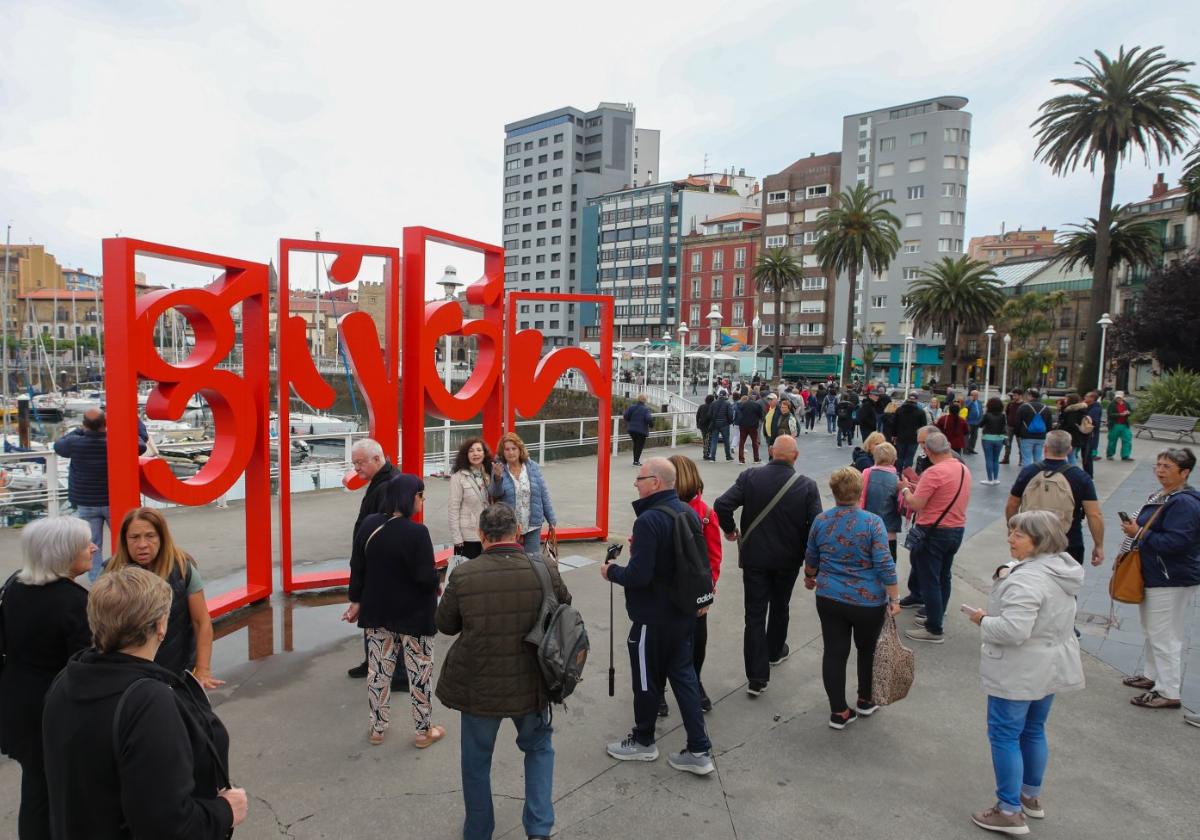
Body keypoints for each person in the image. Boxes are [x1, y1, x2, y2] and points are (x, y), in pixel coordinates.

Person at [42, 566, 247, 839]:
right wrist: (225, 811)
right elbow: (168, 826)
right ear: (161, 626)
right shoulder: (148, 700)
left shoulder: (66, 680)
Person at [436, 502, 571, 840]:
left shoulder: (464, 575)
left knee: (476, 762)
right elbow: (566, 609)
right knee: (539, 748)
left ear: (482, 536)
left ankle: (479, 831)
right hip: (534, 682)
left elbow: (446, 625)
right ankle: (539, 829)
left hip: (480, 686)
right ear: (517, 530)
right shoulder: (545, 568)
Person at [962, 510, 1085, 836]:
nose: (1010, 539)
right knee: (1033, 730)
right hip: (1049, 665)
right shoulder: (1061, 569)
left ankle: (1008, 811)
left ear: (1039, 540)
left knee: (1004, 735)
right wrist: (1010, 570)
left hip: (1019, 670)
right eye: (1011, 532)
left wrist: (982, 620)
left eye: (1018, 535)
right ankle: (1029, 795)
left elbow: (1014, 630)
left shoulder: (1028, 580)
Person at [602, 458, 714, 776]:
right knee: (685, 677)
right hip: (682, 613)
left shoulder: (649, 520)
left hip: (652, 616)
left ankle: (643, 740)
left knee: (646, 680)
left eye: (640, 478)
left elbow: (639, 575)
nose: (636, 484)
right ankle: (699, 748)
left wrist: (611, 571)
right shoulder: (688, 512)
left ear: (656, 482)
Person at [0, 517, 93, 840]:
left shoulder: (14, 585)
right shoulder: (75, 602)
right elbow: (84, 670)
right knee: (63, 795)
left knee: (36, 791)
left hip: (17, 704)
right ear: (64, 552)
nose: (94, 547)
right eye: (86, 544)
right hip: (55, 712)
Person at [714, 435, 822, 695]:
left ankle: (756, 677)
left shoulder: (750, 476)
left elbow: (722, 504)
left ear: (772, 452)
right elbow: (816, 526)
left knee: (754, 613)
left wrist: (730, 530)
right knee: (780, 604)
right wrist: (811, 564)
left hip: (755, 558)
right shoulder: (807, 486)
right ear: (795, 456)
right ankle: (775, 650)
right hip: (788, 559)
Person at [345, 474, 443, 747]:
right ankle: (424, 732)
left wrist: (355, 599)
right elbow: (425, 577)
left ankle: (377, 728)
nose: (422, 501)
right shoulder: (417, 532)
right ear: (411, 497)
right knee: (419, 674)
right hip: (414, 616)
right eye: (421, 496)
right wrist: (438, 581)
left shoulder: (369, 525)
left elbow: (358, 566)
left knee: (378, 672)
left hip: (378, 612)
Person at [804, 467, 900, 729]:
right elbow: (884, 564)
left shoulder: (821, 520)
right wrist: (894, 598)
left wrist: (810, 577)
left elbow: (811, 557)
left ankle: (839, 711)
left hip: (829, 597)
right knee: (866, 650)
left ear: (833, 491)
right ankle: (865, 699)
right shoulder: (872, 522)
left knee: (834, 653)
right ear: (860, 492)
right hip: (867, 601)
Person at [1117, 447, 1200, 710]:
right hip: (1157, 573)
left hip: (1170, 577)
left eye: (1167, 467)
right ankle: (1152, 676)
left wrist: (1139, 532)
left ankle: (1168, 691)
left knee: (1165, 636)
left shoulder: (1183, 502)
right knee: (1153, 630)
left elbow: (1177, 542)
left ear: (1184, 472)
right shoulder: (1166, 495)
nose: (1160, 470)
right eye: (1158, 465)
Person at [103, 508, 223, 689]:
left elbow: (202, 621)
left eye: (150, 536)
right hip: (129, 676)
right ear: (124, 540)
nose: (142, 544)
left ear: (162, 537)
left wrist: (203, 669)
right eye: (134, 537)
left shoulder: (183, 568)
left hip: (178, 672)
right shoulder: (111, 573)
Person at [52, 409, 147, 580]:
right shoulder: (117, 440)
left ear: (85, 425)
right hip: (115, 501)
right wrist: (135, 421)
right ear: (105, 423)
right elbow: (141, 443)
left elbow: (59, 445)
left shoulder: (75, 442)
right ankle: (126, 577)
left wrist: (81, 430)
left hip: (87, 501)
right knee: (124, 540)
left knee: (93, 545)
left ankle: (97, 581)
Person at [899, 431, 971, 644]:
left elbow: (915, 504)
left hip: (933, 531)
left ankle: (934, 628)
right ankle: (937, 613)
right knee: (943, 575)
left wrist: (904, 489)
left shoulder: (934, 472)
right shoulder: (962, 468)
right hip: (956, 528)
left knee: (929, 579)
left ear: (928, 450)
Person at [667, 454, 723, 714]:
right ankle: (658, 691)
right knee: (662, 643)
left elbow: (713, 558)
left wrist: (707, 592)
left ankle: (695, 682)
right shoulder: (656, 507)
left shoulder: (706, 514)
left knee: (695, 642)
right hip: (665, 590)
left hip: (692, 593)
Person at [1005, 430, 1104, 570]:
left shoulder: (1029, 472)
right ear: (1069, 450)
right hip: (1069, 542)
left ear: (1045, 447)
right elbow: (1094, 514)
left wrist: (1013, 529)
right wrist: (1098, 545)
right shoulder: (1080, 477)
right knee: (1065, 586)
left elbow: (1012, 504)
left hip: (1032, 540)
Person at [347, 438, 399, 682]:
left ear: (377, 459)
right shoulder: (382, 481)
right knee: (375, 619)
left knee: (382, 620)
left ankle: (386, 670)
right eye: (354, 463)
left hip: (378, 566)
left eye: (359, 463)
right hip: (376, 564)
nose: (356, 469)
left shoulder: (387, 485)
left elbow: (382, 530)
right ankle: (373, 662)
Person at [491, 432, 557, 559]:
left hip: (532, 524)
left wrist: (551, 520)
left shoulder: (532, 467)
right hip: (509, 527)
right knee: (512, 562)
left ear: (520, 449)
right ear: (502, 452)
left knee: (533, 561)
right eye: (507, 449)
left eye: (514, 448)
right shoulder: (499, 469)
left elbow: (544, 494)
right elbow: (494, 493)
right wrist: (497, 477)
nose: (511, 452)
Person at [448, 437, 494, 561]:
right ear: (465, 455)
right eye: (471, 451)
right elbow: (453, 509)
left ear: (484, 454)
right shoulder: (458, 477)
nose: (475, 453)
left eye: (479, 450)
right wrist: (457, 538)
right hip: (467, 536)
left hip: (487, 533)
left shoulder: (489, 475)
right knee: (469, 575)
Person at [860, 442, 902, 561]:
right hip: (888, 532)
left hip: (866, 529)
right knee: (887, 567)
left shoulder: (866, 474)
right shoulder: (896, 480)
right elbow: (902, 507)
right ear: (893, 459)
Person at [1016, 389, 1054, 466]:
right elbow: (1049, 424)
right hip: (1041, 436)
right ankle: (1038, 475)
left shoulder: (1023, 407)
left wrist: (1018, 434)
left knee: (1026, 459)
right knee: (1038, 458)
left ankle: (1028, 476)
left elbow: (1017, 423)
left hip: (1027, 436)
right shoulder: (1046, 408)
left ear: (1030, 396)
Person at [892, 392, 926, 470]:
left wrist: (894, 435)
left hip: (900, 437)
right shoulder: (920, 412)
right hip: (914, 438)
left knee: (900, 457)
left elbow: (894, 424)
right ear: (916, 400)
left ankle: (898, 472)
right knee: (909, 457)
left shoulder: (899, 410)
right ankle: (907, 474)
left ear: (907, 399)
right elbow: (923, 427)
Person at [1057, 393, 1091, 472]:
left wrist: (1061, 426)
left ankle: (1073, 472)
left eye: (1066, 399)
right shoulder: (1080, 409)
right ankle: (1073, 471)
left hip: (1071, 436)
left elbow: (1070, 424)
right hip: (1077, 436)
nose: (1065, 400)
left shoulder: (1072, 411)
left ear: (1070, 400)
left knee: (1071, 456)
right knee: (1071, 455)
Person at [979, 396, 1008, 485]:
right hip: (999, 439)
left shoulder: (987, 415)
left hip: (987, 438)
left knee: (989, 459)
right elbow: (1004, 427)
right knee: (996, 459)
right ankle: (995, 479)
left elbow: (980, 425)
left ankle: (989, 479)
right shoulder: (1003, 416)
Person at [623, 394, 654, 466]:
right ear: (645, 400)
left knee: (636, 444)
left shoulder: (632, 407)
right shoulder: (646, 409)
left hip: (632, 430)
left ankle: (635, 460)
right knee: (639, 445)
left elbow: (625, 416)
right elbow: (649, 419)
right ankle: (636, 461)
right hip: (641, 430)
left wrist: (630, 421)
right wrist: (651, 425)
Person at [737, 390, 764, 464]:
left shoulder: (743, 404)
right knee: (754, 442)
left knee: (742, 442)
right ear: (755, 397)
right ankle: (756, 459)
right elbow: (760, 416)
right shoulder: (757, 405)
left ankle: (741, 459)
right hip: (753, 426)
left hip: (743, 425)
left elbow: (739, 412)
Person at [706, 390, 735, 461]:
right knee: (726, 441)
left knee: (714, 441)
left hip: (715, 424)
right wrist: (729, 421)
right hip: (725, 424)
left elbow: (709, 414)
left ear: (719, 395)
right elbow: (730, 415)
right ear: (725, 396)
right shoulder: (728, 404)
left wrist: (713, 420)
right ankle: (728, 457)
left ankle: (712, 457)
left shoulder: (713, 403)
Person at [1106, 391, 1134, 461]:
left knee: (1127, 440)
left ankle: (1125, 455)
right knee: (1112, 440)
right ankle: (1110, 454)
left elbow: (1130, 411)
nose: (1118, 399)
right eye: (1117, 397)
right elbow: (1110, 414)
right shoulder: (1112, 404)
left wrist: (1128, 413)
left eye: (1120, 397)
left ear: (1123, 397)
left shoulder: (1126, 404)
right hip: (1114, 424)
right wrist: (1120, 414)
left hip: (1124, 424)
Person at [1001, 390, 1024, 465]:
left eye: (1015, 395)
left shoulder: (1024, 405)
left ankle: (1021, 460)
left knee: (1020, 444)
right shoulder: (1010, 404)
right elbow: (1007, 413)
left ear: (1020, 396)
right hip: (1009, 426)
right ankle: (1006, 458)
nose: (1014, 397)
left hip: (1020, 427)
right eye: (1013, 395)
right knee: (1007, 443)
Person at [1084, 390, 1103, 463]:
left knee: (1093, 442)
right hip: (1087, 429)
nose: (1085, 397)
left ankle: (1093, 455)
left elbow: (1092, 420)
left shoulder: (1095, 408)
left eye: (1087, 396)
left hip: (1092, 429)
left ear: (1092, 399)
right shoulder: (1086, 405)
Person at [964, 389, 983, 455]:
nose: (975, 396)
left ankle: (971, 448)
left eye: (976, 395)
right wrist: (971, 402)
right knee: (967, 436)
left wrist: (981, 420)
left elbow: (981, 411)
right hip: (969, 422)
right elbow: (966, 409)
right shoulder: (967, 401)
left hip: (977, 422)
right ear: (971, 395)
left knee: (974, 436)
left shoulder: (979, 402)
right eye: (973, 395)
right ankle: (965, 449)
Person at [696, 394, 714, 459]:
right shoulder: (712, 407)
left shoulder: (701, 406)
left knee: (705, 439)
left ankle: (705, 453)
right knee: (708, 440)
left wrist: (697, 424)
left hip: (702, 425)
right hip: (709, 425)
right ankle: (706, 454)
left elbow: (697, 416)